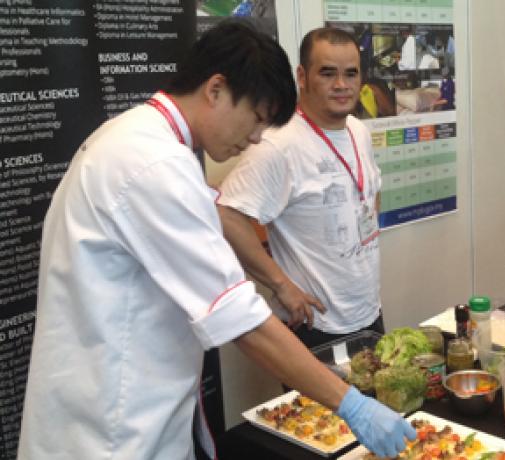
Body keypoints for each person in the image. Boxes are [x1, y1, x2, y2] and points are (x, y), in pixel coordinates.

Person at [17, 21, 414, 460]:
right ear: (216, 89)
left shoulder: (136, 140)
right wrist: (351, 404)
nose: (257, 137)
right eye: (257, 119)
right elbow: (238, 318)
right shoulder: (153, 164)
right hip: (112, 428)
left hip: (126, 404)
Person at [217, 27, 384, 349]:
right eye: (327, 73)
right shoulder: (279, 144)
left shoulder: (358, 131)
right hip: (316, 325)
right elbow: (226, 214)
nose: (341, 85)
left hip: (367, 312)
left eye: (351, 74)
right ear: (302, 77)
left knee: (380, 399)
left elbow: (369, 192)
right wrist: (281, 286)